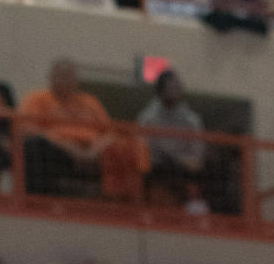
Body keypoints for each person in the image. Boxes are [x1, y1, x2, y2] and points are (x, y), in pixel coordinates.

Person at [19, 58, 146, 203]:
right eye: (60, 75)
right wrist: (72, 149)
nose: (65, 80)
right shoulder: (37, 99)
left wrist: (92, 152)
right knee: (34, 144)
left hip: (93, 152)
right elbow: (30, 129)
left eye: (69, 76)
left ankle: (123, 202)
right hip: (56, 151)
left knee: (126, 145)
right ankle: (40, 202)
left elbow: (109, 131)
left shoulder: (90, 102)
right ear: (51, 77)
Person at [137, 70, 206, 203]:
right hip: (155, 171)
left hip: (182, 171)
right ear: (161, 90)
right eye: (172, 86)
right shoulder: (148, 118)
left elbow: (197, 161)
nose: (178, 89)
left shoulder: (191, 120)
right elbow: (142, 153)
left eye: (178, 86)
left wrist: (176, 159)